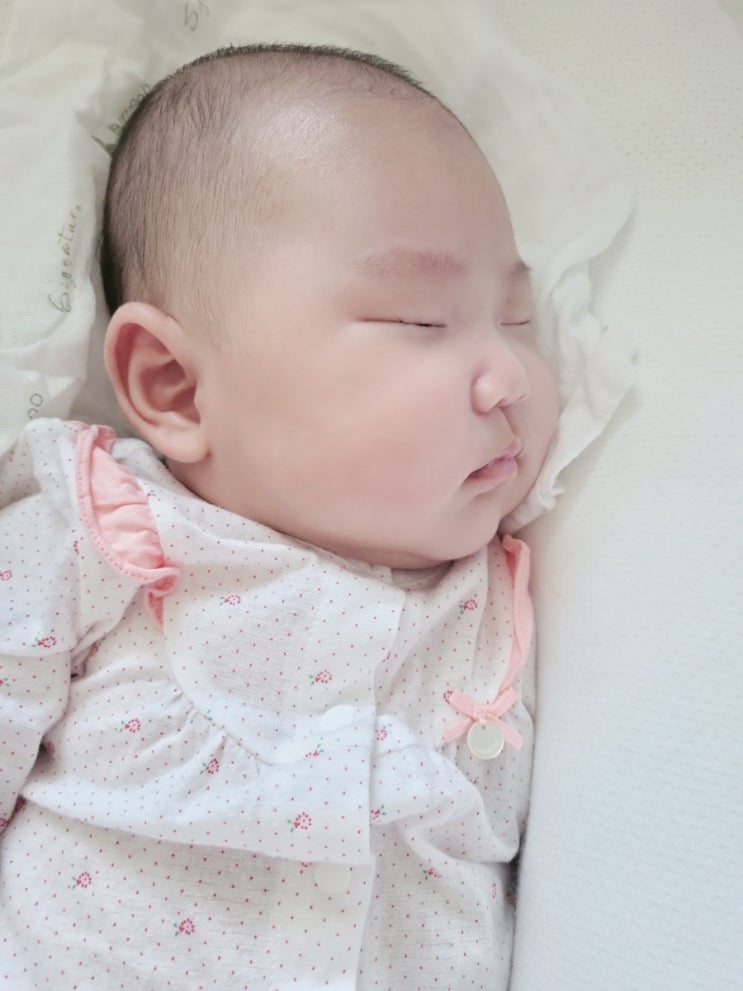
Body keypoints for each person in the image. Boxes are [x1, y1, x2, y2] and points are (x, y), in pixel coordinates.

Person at [0, 43, 559, 989]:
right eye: (419, 320)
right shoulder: (103, 528)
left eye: (515, 319)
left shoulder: (497, 607)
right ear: (174, 385)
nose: (509, 375)